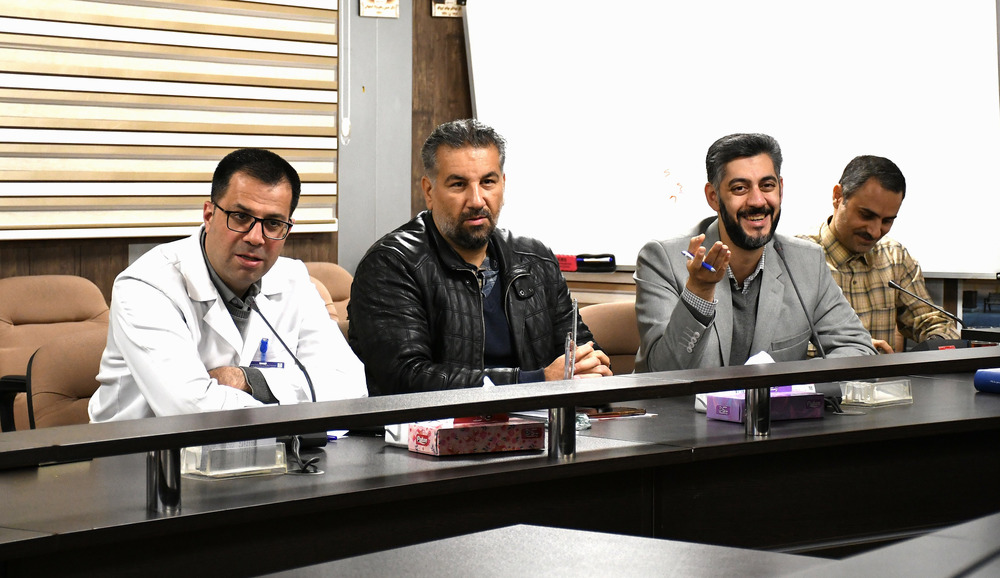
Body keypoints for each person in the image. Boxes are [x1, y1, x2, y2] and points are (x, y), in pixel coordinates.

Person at [89, 148, 367, 422]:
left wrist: (248, 380)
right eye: (241, 217)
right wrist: (295, 399)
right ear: (209, 215)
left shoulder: (293, 278)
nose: (256, 237)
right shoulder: (146, 286)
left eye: (273, 223)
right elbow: (192, 413)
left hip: (271, 448)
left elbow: (351, 388)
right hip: (143, 449)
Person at [348, 119, 612, 396]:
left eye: (487, 182)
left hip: (538, 419)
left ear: (503, 184)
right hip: (437, 424)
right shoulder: (390, 264)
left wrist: (590, 370)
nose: (476, 200)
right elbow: (407, 378)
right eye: (458, 184)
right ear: (429, 191)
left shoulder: (535, 259)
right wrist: (538, 381)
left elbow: (584, 353)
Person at [634, 133, 875, 372]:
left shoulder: (807, 262)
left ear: (780, 189)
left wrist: (790, 385)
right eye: (740, 188)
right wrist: (699, 292)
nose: (758, 201)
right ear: (713, 197)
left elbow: (859, 350)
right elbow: (661, 373)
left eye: (767, 186)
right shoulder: (663, 259)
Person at [799, 155, 959, 353]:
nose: (875, 232)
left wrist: (936, 342)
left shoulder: (895, 257)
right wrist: (852, 349)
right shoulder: (796, 258)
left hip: (883, 375)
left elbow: (932, 322)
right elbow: (777, 346)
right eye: (866, 215)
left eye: (887, 221)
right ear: (838, 196)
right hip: (823, 374)